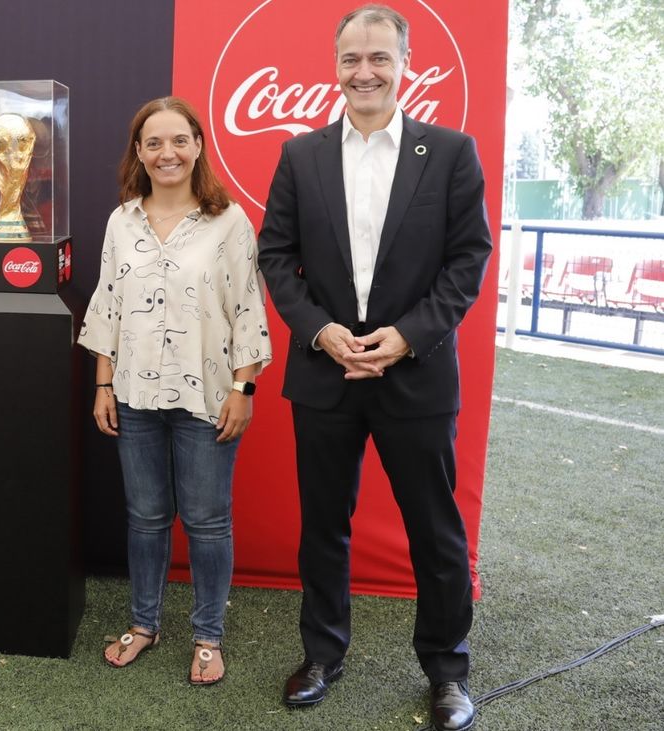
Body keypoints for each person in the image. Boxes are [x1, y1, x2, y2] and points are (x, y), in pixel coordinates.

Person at [256, 6, 491, 730]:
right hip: (325, 374)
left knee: (435, 530)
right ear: (334, 65)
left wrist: (408, 335)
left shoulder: (451, 152)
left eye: (379, 58)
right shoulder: (300, 155)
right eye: (352, 58)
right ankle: (322, 653)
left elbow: (467, 259)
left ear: (404, 63)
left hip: (415, 374)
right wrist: (322, 330)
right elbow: (274, 255)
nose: (365, 71)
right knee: (324, 524)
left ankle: (446, 669)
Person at [78, 96, 271, 686]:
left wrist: (244, 388)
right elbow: (107, 304)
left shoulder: (229, 221)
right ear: (139, 152)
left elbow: (246, 310)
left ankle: (208, 635)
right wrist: (103, 384)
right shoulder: (121, 220)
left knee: (209, 522)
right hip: (133, 394)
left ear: (198, 147)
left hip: (207, 398)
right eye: (154, 143)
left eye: (179, 141)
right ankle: (144, 624)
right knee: (146, 518)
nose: (168, 153)